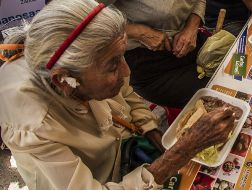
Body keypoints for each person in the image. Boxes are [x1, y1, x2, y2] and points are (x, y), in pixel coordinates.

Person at [0, 0, 235, 189]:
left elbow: (128, 96)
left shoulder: (86, 65)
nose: (127, 71)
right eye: (113, 65)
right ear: (64, 81)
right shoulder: (35, 126)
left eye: (123, 56)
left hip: (125, 153)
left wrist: (154, 134)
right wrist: (181, 152)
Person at [98, 0, 209, 108]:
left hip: (190, 42)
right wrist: (140, 32)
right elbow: (85, 23)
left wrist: (192, 28)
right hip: (148, 65)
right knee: (213, 93)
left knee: (225, 74)